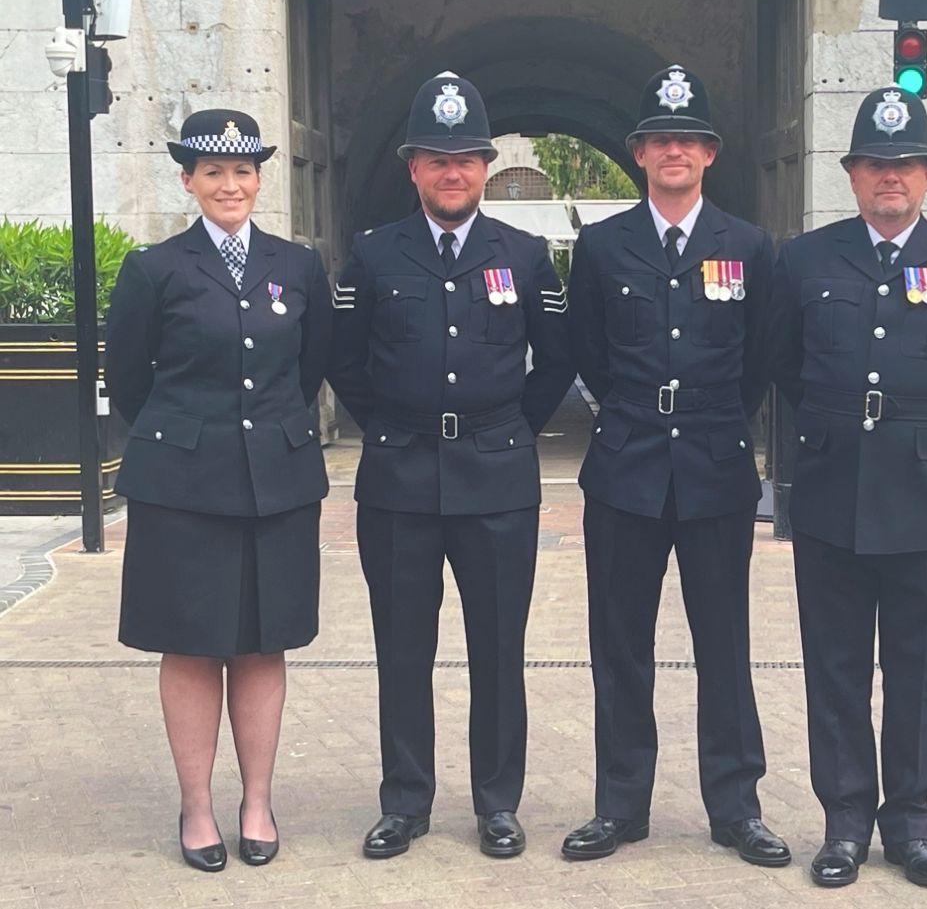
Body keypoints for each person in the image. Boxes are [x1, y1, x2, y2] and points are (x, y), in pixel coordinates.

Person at [769, 87, 927, 889]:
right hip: (831, 492)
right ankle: (844, 823)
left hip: (922, 495)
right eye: (876, 164)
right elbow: (783, 362)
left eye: (906, 163)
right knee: (835, 666)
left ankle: (910, 824)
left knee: (915, 669)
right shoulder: (805, 261)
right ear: (851, 174)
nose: (891, 176)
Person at [327, 72, 575, 860]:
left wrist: (510, 427)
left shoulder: (524, 256)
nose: (453, 171)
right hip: (399, 478)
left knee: (498, 650)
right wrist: (393, 424)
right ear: (413, 168)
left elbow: (558, 358)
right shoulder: (373, 254)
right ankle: (405, 801)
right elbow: (344, 357)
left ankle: (497, 803)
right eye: (437, 158)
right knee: (403, 649)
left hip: (496, 479)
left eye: (466, 157)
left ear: (486, 165)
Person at [562, 65, 790, 867]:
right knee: (620, 644)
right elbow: (587, 349)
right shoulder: (602, 246)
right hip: (624, 468)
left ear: (710, 153)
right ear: (638, 152)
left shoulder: (748, 247)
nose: (674, 152)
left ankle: (736, 806)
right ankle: (621, 805)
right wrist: (638, 411)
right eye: (660, 139)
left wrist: (710, 416)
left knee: (724, 643)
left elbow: (760, 358)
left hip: (714, 468)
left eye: (688, 140)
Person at [106, 109, 332, 872]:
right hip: (182, 486)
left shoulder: (296, 266)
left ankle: (257, 801)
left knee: (264, 642)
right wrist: (191, 437)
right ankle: (197, 805)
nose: (229, 184)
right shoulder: (154, 269)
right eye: (213, 172)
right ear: (188, 181)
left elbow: (309, 368)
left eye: (242, 171)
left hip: (278, 482)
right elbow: (131, 380)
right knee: (192, 643)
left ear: (260, 179)